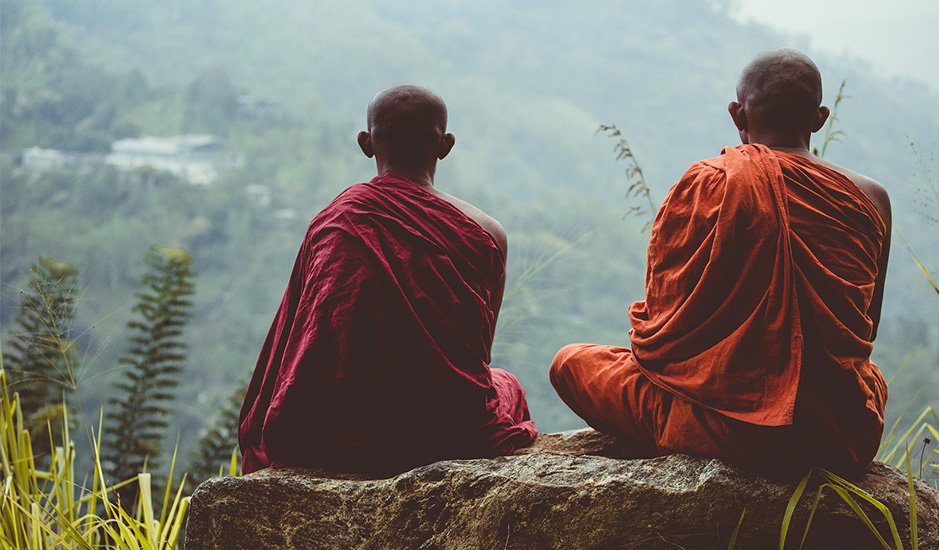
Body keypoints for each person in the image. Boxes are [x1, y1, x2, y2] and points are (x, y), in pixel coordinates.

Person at [550, 49, 892, 477]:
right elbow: (865, 328)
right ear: (820, 117)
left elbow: (660, 336)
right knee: (870, 376)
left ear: (737, 114)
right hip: (840, 431)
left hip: (730, 430)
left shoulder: (711, 182)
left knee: (570, 362)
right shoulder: (870, 198)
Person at [239, 85, 537, 476]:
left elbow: (302, 347)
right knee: (506, 384)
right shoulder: (485, 233)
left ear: (366, 143)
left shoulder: (336, 223)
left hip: (336, 430)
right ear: (445, 145)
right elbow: (476, 357)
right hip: (446, 429)